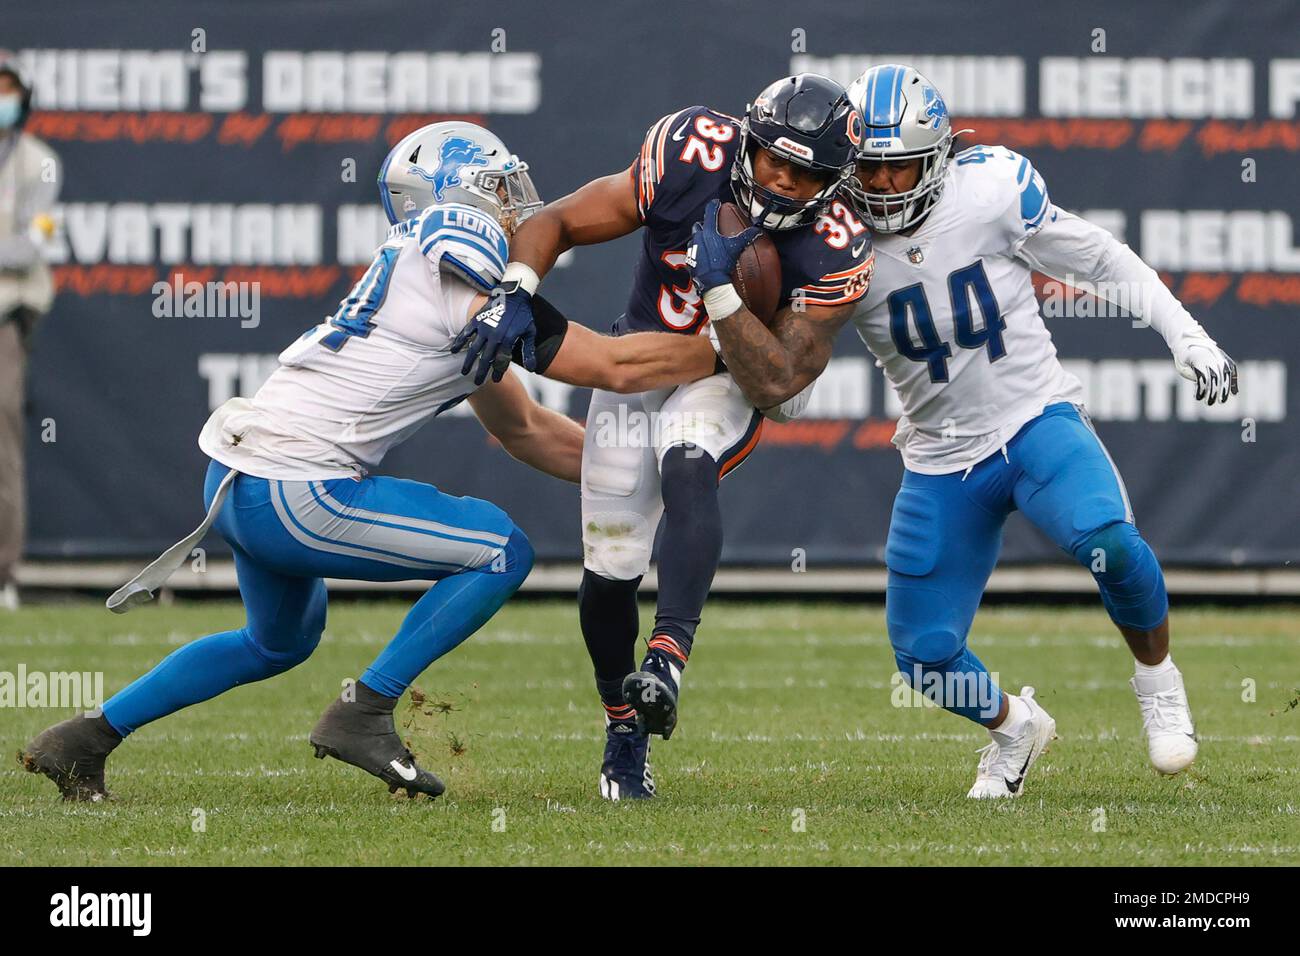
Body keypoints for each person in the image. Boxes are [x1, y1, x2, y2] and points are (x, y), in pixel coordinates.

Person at [21, 122, 719, 802]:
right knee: (501, 550)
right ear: (458, 197)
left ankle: (83, 739)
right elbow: (617, 368)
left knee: (277, 642)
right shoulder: (458, 258)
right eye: (499, 189)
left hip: (243, 478)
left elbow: (529, 429)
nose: (518, 206)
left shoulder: (441, 288)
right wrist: (732, 351)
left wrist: (633, 484)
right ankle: (365, 711)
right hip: (297, 489)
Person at [709, 64, 1237, 798]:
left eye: (903, 169)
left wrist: (1184, 335)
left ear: (940, 156)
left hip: (1033, 419)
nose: (886, 186)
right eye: (870, 168)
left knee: (1111, 544)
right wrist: (762, 367)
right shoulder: (828, 238)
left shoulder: (989, 192)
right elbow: (793, 379)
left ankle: (1158, 681)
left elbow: (1100, 259)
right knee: (923, 656)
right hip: (939, 456)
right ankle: (1015, 726)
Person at [454, 74, 874, 800]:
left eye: (805, 172)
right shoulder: (690, 153)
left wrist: (720, 292)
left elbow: (777, 383)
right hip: (643, 353)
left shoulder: (835, 243)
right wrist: (517, 286)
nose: (781, 178)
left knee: (688, 456)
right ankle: (624, 729)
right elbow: (555, 220)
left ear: (832, 183)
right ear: (746, 139)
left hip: (733, 371)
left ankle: (668, 659)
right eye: (773, 157)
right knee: (611, 563)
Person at [0, 59, 60, 611]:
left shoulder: (41, 164)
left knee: (4, 447)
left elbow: (28, 251)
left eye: (7, 92)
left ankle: (4, 575)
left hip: (5, 321)